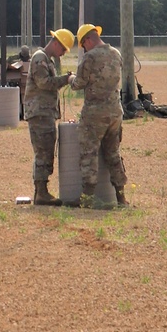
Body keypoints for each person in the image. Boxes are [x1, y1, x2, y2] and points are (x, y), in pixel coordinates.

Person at [71, 24, 128, 208]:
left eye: (82, 45)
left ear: (87, 40)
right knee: (113, 154)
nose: (83, 49)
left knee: (89, 153)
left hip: (94, 114)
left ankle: (87, 199)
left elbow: (79, 83)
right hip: (115, 112)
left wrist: (70, 79)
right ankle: (121, 198)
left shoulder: (90, 57)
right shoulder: (116, 53)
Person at [23, 29, 75, 205]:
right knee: (43, 152)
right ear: (56, 43)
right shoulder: (40, 58)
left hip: (44, 112)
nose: (63, 53)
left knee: (46, 151)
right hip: (39, 112)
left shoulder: (46, 60)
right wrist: (65, 80)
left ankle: (42, 190)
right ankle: (41, 193)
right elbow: (44, 83)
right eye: (63, 49)